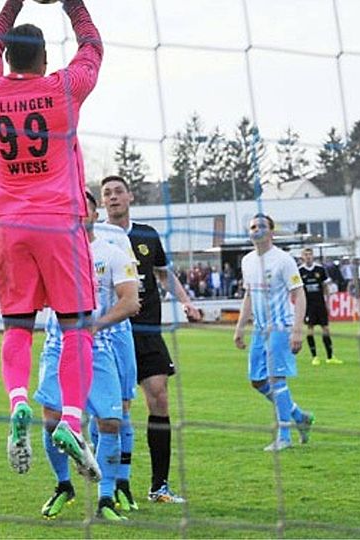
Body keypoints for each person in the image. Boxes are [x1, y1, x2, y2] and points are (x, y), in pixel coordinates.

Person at [0, 0, 103, 478]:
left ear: (7, 59)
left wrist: (13, 1)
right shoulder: (63, 89)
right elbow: (92, 45)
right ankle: (70, 419)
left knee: (17, 328)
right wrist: (72, 3)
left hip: (8, 226)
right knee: (76, 328)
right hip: (59, 224)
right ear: (44, 61)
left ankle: (18, 401)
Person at [35, 192, 141, 521]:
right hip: (58, 344)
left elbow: (130, 301)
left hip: (100, 347)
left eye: (82, 210)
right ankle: (63, 485)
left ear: (94, 215)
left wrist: (96, 325)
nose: (76, 216)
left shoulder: (112, 254)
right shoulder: (52, 255)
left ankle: (105, 497)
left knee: (109, 422)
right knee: (52, 421)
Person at [101, 175, 202, 506]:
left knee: (159, 399)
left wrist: (186, 301)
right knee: (115, 411)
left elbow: (163, 273)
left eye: (118, 191)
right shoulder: (97, 237)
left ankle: (159, 486)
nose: (113, 197)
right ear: (102, 202)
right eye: (107, 194)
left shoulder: (147, 235)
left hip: (147, 332)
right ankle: (115, 485)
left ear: (130, 197)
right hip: (113, 333)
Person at [233, 214, 315, 451]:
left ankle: (284, 437)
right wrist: (240, 327)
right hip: (260, 328)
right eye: (252, 226)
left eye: (261, 226)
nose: (256, 230)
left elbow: (299, 293)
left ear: (271, 232)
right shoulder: (247, 261)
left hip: (280, 326)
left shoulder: (283, 260)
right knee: (257, 381)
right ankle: (300, 417)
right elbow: (248, 295)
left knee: (276, 378)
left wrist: (297, 331)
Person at [299, 248, 342, 366]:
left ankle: (330, 356)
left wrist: (327, 301)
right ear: (302, 257)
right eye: (306, 255)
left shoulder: (320, 269)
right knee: (310, 329)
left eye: (310, 254)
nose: (308, 257)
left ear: (313, 256)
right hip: (308, 305)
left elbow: (325, 286)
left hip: (320, 304)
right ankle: (315, 357)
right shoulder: (300, 271)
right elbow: (298, 290)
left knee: (326, 329)